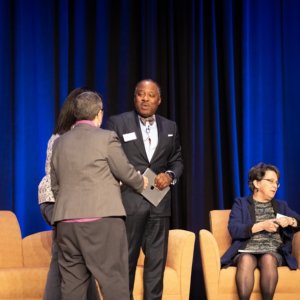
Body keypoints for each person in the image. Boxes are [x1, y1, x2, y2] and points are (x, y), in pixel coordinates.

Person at [50, 91, 148, 300]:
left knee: (72, 289)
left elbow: (55, 186)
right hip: (102, 222)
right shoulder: (106, 138)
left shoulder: (59, 143)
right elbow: (124, 171)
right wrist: (141, 182)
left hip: (66, 223)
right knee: (114, 284)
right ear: (98, 114)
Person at [106, 79, 184, 300]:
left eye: (150, 95)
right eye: (141, 94)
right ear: (134, 98)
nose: (145, 99)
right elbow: (111, 159)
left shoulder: (170, 127)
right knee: (126, 262)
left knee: (156, 264)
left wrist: (169, 176)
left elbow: (177, 161)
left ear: (159, 100)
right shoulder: (118, 123)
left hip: (159, 203)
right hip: (128, 202)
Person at [38, 87, 100, 300]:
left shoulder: (70, 137)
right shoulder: (63, 139)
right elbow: (61, 179)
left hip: (66, 204)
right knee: (65, 257)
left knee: (77, 258)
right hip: (59, 204)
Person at [221, 162, 300, 300]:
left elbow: (298, 220)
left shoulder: (281, 206)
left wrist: (290, 221)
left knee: (268, 258)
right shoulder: (241, 204)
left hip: (274, 251)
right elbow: (234, 229)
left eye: (277, 182)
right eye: (270, 181)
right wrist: (261, 225)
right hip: (247, 249)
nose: (275, 185)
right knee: (245, 259)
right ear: (256, 183)